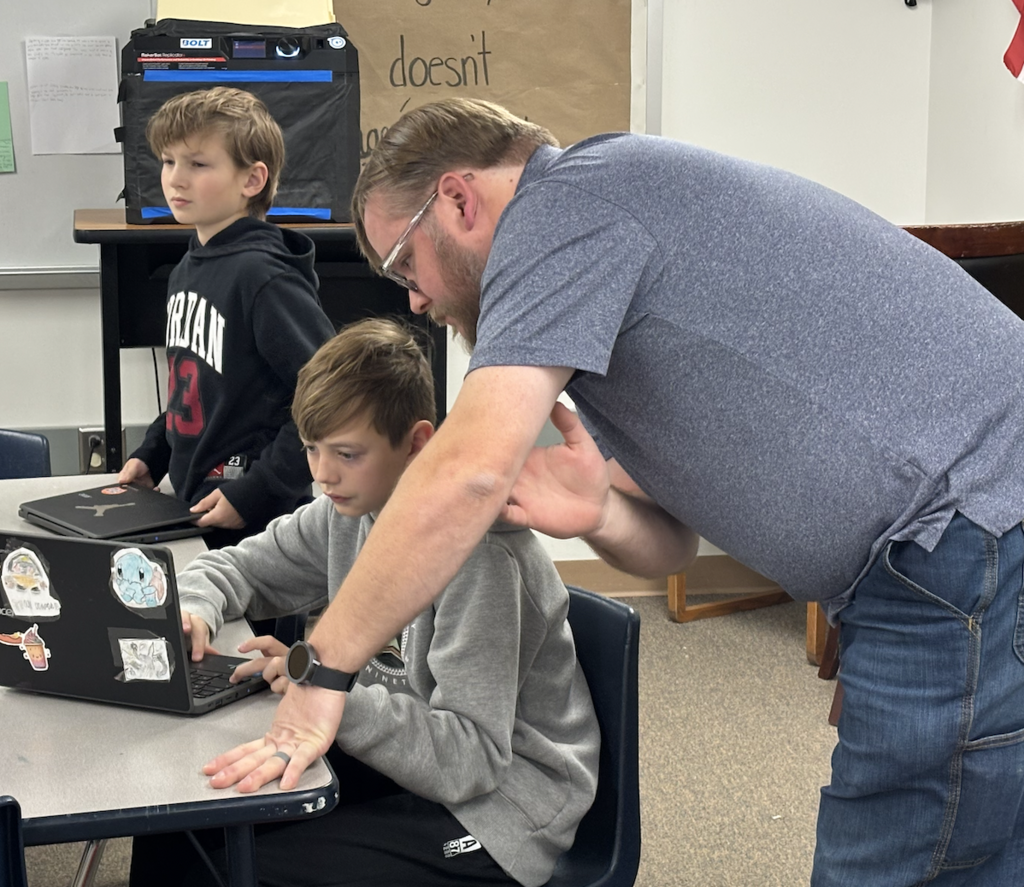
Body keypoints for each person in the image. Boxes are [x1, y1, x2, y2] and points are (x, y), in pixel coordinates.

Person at [206, 98, 1024, 886]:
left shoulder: (565, 207)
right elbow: (670, 545)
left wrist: (326, 676)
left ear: (457, 198)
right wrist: (598, 512)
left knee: (895, 855)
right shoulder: (598, 294)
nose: (412, 298)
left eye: (403, 265)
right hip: (957, 536)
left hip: (960, 532)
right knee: (983, 848)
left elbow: (467, 469)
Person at [130, 317, 599, 887]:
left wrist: (329, 691)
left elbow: (470, 760)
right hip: (410, 754)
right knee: (185, 821)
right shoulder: (344, 510)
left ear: (417, 443)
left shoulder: (483, 562)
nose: (324, 475)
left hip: (502, 807)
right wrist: (198, 608)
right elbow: (235, 566)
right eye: (311, 449)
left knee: (237, 869)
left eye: (348, 454)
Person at [118, 87, 335, 550]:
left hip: (257, 519)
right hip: (199, 504)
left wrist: (256, 491)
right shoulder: (188, 268)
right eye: (168, 161)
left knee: (253, 626)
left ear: (252, 180)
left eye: (198, 164)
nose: (176, 179)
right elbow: (198, 385)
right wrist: (153, 454)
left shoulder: (263, 277)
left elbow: (333, 399)